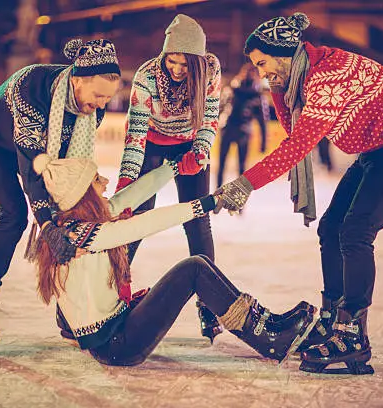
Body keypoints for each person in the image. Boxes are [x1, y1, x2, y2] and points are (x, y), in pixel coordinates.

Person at [215, 13, 383, 374]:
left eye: (263, 63)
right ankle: (332, 318)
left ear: (283, 53)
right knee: (330, 229)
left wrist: (245, 183)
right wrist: (280, 90)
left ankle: (353, 334)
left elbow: (298, 145)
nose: (262, 72)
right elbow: (291, 128)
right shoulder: (298, 77)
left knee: (356, 231)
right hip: (374, 152)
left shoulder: (326, 77)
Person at [31, 153, 317, 366]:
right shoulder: (78, 236)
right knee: (194, 268)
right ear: (81, 194)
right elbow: (146, 223)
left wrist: (175, 168)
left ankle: (267, 325)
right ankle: (267, 337)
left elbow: (133, 193)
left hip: (120, 327)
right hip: (117, 345)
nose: (105, 181)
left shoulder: (77, 224)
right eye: (96, 180)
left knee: (198, 264)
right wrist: (207, 203)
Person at [0, 38, 122, 352]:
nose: (101, 105)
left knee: (72, 216)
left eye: (107, 98)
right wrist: (46, 224)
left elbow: (70, 169)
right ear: (77, 80)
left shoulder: (90, 110)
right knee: (14, 216)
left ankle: (69, 309)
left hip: (39, 154)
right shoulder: (31, 88)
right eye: (98, 95)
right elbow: (35, 170)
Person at [114, 14, 223, 341]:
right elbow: (135, 134)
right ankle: (113, 290)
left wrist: (200, 152)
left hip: (190, 145)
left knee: (197, 218)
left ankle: (209, 301)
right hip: (150, 144)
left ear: (197, 62)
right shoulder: (147, 75)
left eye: (184, 64)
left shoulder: (211, 70)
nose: (176, 69)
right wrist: (127, 181)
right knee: (136, 218)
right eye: (171, 61)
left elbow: (210, 117)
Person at [217, 63, 268, 188]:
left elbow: (262, 120)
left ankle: (238, 196)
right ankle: (219, 193)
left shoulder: (253, 94)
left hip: (238, 130)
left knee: (239, 166)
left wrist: (263, 143)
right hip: (232, 129)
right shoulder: (234, 90)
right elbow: (220, 108)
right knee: (228, 165)